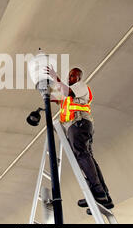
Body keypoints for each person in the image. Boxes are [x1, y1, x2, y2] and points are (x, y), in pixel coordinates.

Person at [45, 66, 114, 210]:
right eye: (69, 76)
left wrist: (54, 75)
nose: (70, 78)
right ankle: (104, 196)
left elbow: (65, 91)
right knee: (87, 157)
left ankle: (98, 191)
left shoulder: (80, 87)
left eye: (73, 76)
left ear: (79, 78)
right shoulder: (67, 96)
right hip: (77, 125)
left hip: (79, 123)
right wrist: (45, 85)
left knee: (82, 155)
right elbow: (52, 97)